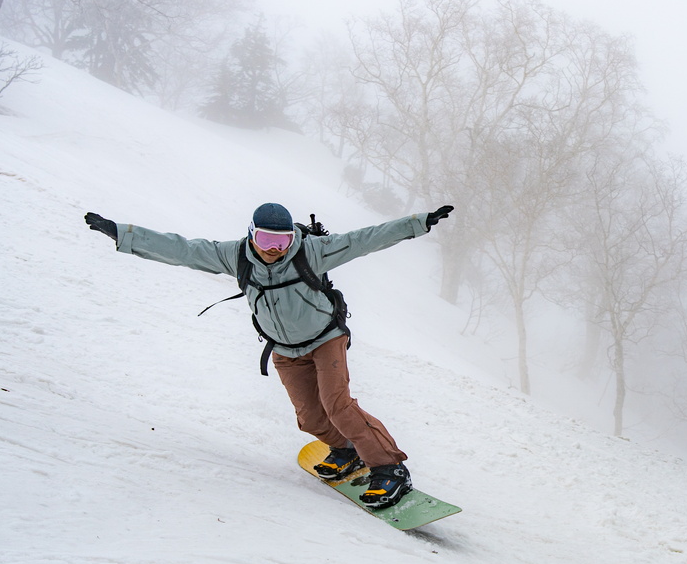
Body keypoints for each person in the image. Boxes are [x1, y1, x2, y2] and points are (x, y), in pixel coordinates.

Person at [83, 201, 454, 508]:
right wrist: (122, 233)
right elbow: (181, 249)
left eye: (282, 239)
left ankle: (389, 469)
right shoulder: (235, 256)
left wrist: (418, 222)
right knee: (310, 419)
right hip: (284, 348)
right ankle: (345, 451)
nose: (274, 247)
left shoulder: (312, 251)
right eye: (266, 238)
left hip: (326, 339)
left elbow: (367, 239)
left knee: (338, 405)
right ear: (251, 233)